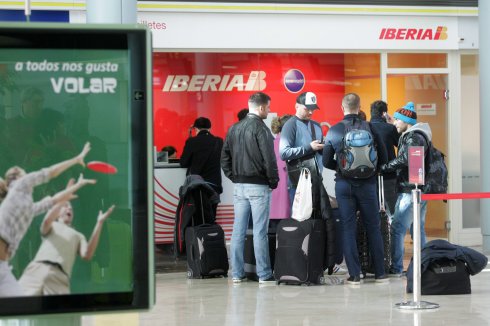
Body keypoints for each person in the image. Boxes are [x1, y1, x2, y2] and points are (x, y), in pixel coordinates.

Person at [0, 142, 96, 297]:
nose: (28, 175)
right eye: (25, 173)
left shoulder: (28, 207)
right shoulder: (19, 186)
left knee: (19, 306)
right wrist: (76, 159)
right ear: (17, 178)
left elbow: (53, 201)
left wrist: (77, 186)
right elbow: (50, 172)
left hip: (3, 267)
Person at [322, 93, 388, 285]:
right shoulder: (371, 128)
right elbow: (383, 158)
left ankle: (354, 275)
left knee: (348, 228)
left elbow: (326, 161)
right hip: (368, 185)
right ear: (360, 108)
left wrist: (343, 169)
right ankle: (380, 274)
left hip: (344, 186)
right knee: (374, 228)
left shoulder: (334, 130)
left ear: (342, 108)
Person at [221, 92, 278, 285]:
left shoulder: (234, 128)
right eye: (268, 107)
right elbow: (269, 159)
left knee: (238, 231)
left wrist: (234, 176)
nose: (269, 111)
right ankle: (264, 274)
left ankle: (237, 273)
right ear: (261, 107)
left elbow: (224, 158)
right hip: (259, 186)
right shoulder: (261, 129)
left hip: (240, 187)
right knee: (260, 231)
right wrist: (273, 181)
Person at [19, 190, 115, 296]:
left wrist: (99, 223)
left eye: (70, 208)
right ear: (57, 213)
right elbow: (47, 221)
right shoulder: (51, 226)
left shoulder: (78, 236)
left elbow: (87, 255)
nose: (69, 208)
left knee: (60, 310)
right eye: (64, 206)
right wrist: (62, 199)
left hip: (58, 276)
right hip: (36, 269)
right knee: (20, 304)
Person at [380, 102, 432, 277]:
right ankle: (423, 264)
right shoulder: (418, 134)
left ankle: (396, 268)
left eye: (397, 120)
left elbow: (404, 159)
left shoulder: (413, 137)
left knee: (397, 228)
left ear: (406, 121)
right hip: (418, 190)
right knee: (418, 229)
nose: (394, 124)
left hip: (410, 191)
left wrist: (384, 167)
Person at [279, 91, 324, 210]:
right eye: (307, 109)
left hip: (316, 181)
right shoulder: (290, 125)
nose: (310, 112)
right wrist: (309, 148)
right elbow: (284, 153)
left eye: (313, 109)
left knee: (316, 222)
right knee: (300, 222)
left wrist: (324, 149)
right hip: (299, 183)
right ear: (296, 106)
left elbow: (320, 152)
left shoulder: (317, 126)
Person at [370, 100, 400, 216]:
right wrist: (393, 124)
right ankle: (393, 233)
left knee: (374, 210)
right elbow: (400, 144)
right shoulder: (389, 128)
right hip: (389, 173)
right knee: (393, 209)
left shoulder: (366, 128)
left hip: (370, 174)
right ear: (384, 114)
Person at [180, 117, 223, 196]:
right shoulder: (219, 141)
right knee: (212, 207)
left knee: (197, 208)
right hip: (214, 185)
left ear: (195, 128)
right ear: (209, 128)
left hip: (196, 185)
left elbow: (183, 163)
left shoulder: (191, 141)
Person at [269, 114, 292, 231]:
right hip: (287, 192)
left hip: (273, 193)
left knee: (273, 232)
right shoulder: (290, 145)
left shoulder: (271, 144)